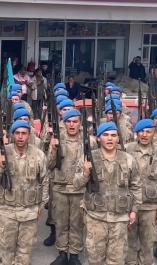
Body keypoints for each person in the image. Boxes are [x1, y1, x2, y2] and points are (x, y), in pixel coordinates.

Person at [74, 122, 142, 265]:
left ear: (118, 138)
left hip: (119, 219)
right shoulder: (88, 159)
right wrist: (85, 173)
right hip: (95, 218)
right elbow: (76, 185)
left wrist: (134, 210)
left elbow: (136, 186)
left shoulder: (128, 160)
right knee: (95, 259)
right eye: (105, 135)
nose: (110, 139)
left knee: (116, 260)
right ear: (98, 138)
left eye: (113, 135)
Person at [0, 120, 48, 265]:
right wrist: (1, 166)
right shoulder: (2, 152)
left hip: (28, 211)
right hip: (6, 211)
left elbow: (44, 181)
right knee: (7, 251)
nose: (20, 137)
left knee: (25, 252)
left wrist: (41, 204)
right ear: (13, 135)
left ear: (29, 135)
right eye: (17, 133)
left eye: (24, 133)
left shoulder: (38, 154)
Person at [48, 109, 98, 265]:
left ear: (80, 123)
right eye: (68, 121)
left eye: (75, 121)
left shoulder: (89, 141)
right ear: (64, 123)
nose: (71, 124)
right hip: (60, 189)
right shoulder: (57, 140)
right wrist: (54, 149)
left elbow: (95, 165)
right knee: (61, 223)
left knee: (77, 223)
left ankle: (75, 255)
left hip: (79, 189)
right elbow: (48, 165)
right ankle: (62, 253)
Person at [125, 119, 157, 265]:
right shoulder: (126, 150)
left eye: (148, 132)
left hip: (151, 207)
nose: (145, 135)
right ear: (136, 133)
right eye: (141, 131)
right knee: (128, 242)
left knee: (148, 243)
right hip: (129, 206)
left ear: (153, 133)